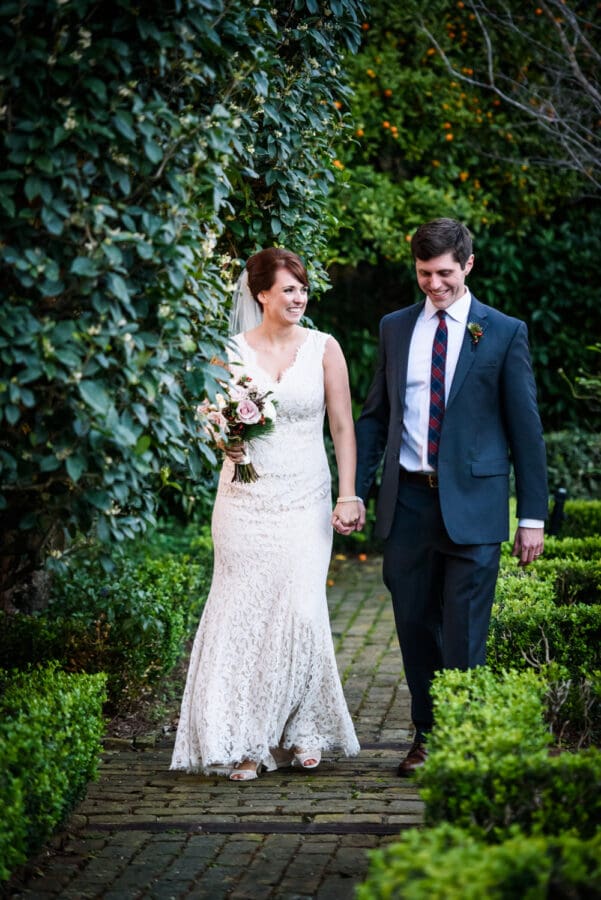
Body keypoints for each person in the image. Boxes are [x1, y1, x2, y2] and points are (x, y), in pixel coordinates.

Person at [355, 218, 548, 776]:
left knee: (464, 629)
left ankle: (460, 738)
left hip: (477, 506)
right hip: (409, 502)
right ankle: (427, 731)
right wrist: (357, 490)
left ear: (467, 265)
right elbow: (375, 417)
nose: (434, 285)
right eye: (423, 274)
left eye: (444, 273)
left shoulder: (504, 332)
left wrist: (531, 515)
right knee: (415, 624)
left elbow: (525, 430)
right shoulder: (395, 328)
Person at [171, 247, 361, 781]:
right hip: (243, 502)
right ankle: (248, 742)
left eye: (302, 289)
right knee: (246, 615)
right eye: (289, 289)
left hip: (305, 497)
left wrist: (349, 493)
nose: (299, 298)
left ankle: (304, 729)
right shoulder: (228, 353)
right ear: (261, 295)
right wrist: (223, 442)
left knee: (300, 610)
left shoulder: (325, 348)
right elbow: (207, 419)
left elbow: (343, 428)